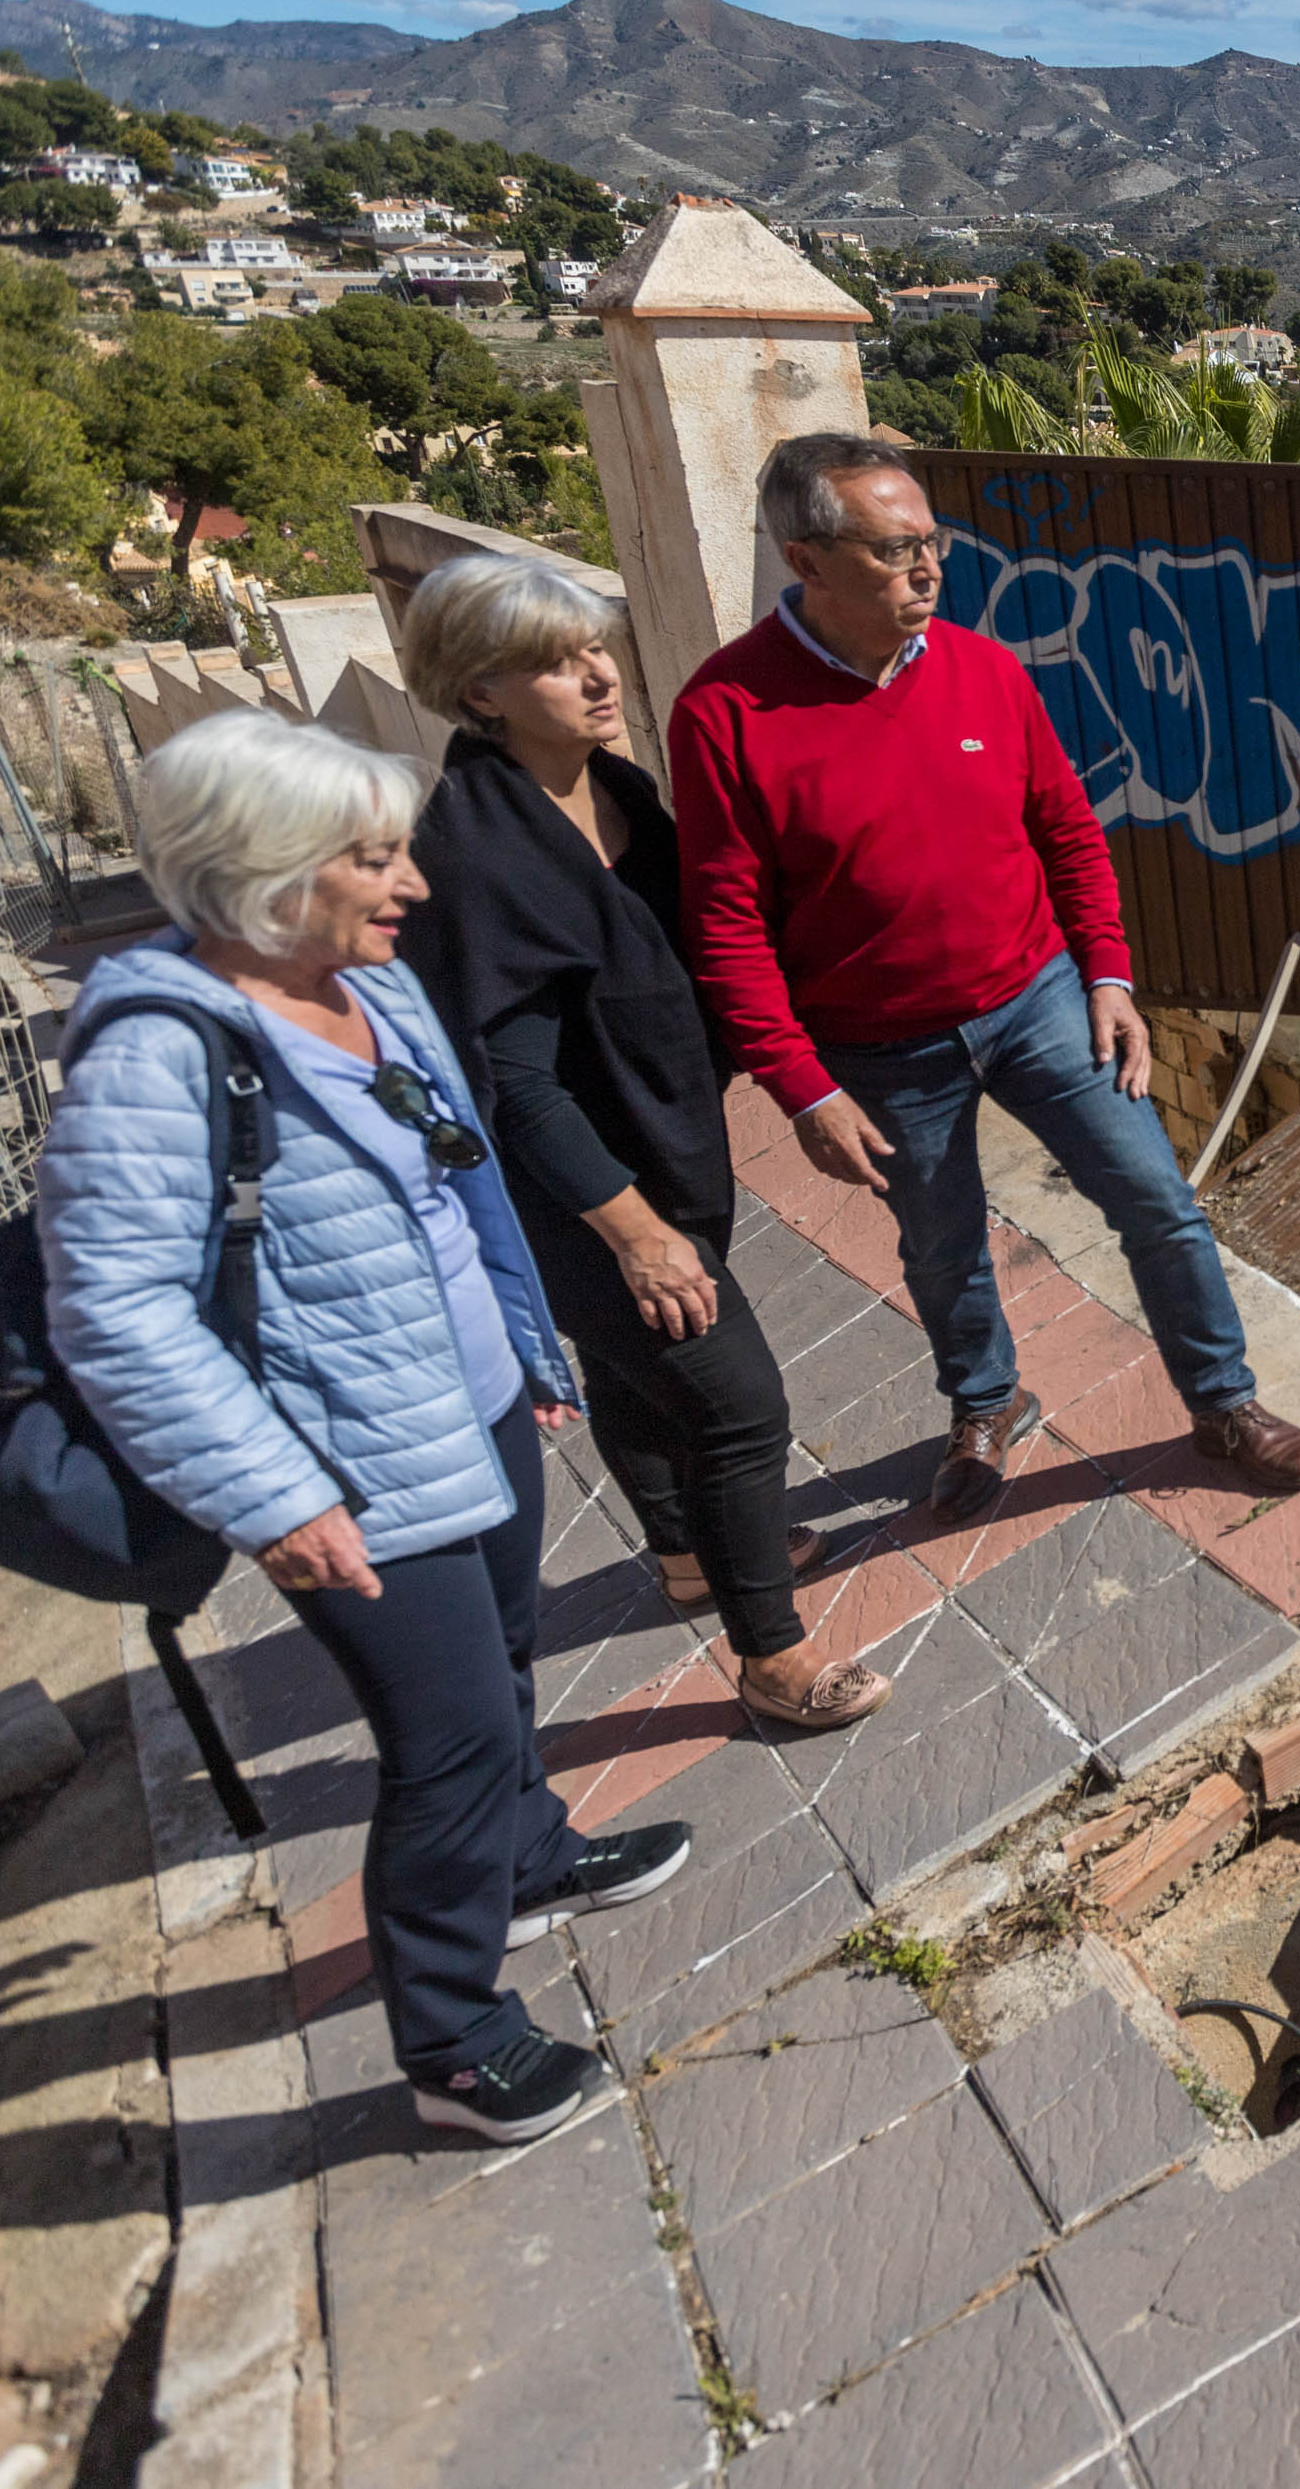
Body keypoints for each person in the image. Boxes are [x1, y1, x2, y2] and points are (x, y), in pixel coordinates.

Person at [38, 711, 690, 2145]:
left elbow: (451, 1187)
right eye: (375, 858)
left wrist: (520, 1346)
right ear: (268, 872)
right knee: (445, 1742)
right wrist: (273, 1496)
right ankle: (455, 2042)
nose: (413, 886)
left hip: (461, 1412)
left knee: (504, 1666)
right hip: (344, 1466)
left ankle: (528, 1861)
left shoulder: (364, 984)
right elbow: (115, 1310)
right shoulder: (157, 1054)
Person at [669, 432, 1300, 1521]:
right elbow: (725, 926)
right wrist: (805, 1090)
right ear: (808, 561)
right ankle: (985, 1402)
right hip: (878, 1047)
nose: (930, 569)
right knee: (940, 1246)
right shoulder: (727, 712)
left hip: (1038, 1002)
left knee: (1159, 1203)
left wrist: (1108, 978)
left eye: (932, 542)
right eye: (894, 551)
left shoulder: (985, 670)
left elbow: (1068, 833)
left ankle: (1222, 1403)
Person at [396, 554, 889, 1732]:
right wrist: (633, 1234)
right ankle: (770, 1661)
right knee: (737, 1410)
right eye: (553, 663)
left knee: (639, 1378)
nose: (596, 674)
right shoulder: (475, 853)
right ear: (479, 695)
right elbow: (512, 1084)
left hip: (666, 1149)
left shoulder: (610, 790)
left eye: (593, 647)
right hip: (576, 1197)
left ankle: (683, 1558)